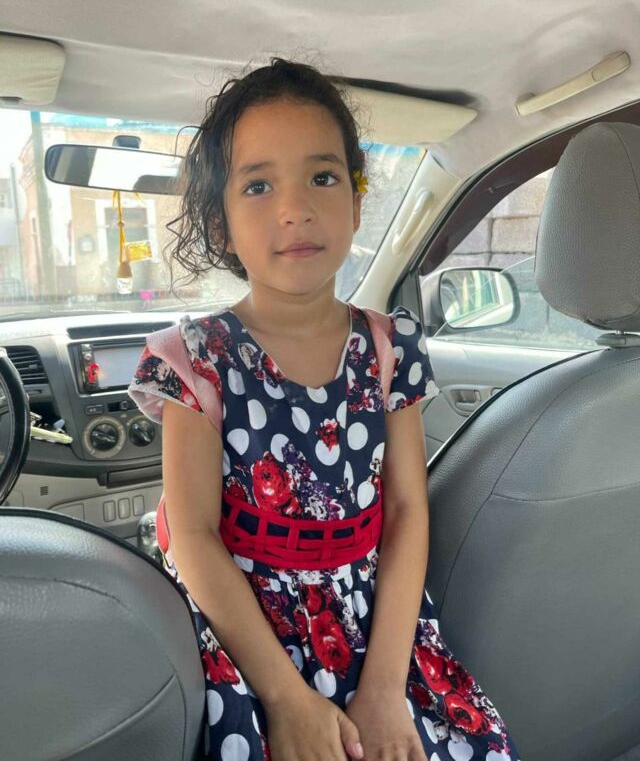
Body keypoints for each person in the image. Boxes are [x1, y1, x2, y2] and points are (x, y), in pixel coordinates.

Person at [127, 59, 520, 761]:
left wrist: (385, 686)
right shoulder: (195, 358)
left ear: (357, 204)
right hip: (244, 630)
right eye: (258, 185)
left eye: (323, 177)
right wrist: (284, 698)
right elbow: (192, 535)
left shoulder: (392, 346)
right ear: (220, 223)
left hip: (374, 622)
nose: (295, 208)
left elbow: (406, 510)